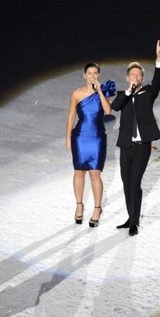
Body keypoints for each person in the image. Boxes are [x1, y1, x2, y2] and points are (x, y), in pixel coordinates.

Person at [111, 40, 160, 236]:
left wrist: (159, 60)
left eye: (139, 74)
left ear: (142, 78)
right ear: (128, 78)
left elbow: (158, 81)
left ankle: (134, 222)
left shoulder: (148, 93)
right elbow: (114, 107)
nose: (136, 76)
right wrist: (127, 92)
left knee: (135, 184)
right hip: (126, 146)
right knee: (126, 184)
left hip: (142, 146)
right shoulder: (122, 95)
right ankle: (129, 217)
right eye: (133, 74)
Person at [66, 63, 115, 227]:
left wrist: (100, 91)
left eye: (95, 73)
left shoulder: (105, 91)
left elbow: (108, 111)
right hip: (80, 136)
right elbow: (72, 117)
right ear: (84, 75)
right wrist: (68, 138)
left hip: (97, 137)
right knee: (79, 172)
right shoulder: (76, 93)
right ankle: (79, 206)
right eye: (89, 73)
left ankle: (97, 208)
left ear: (99, 75)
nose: (92, 76)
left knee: (95, 173)